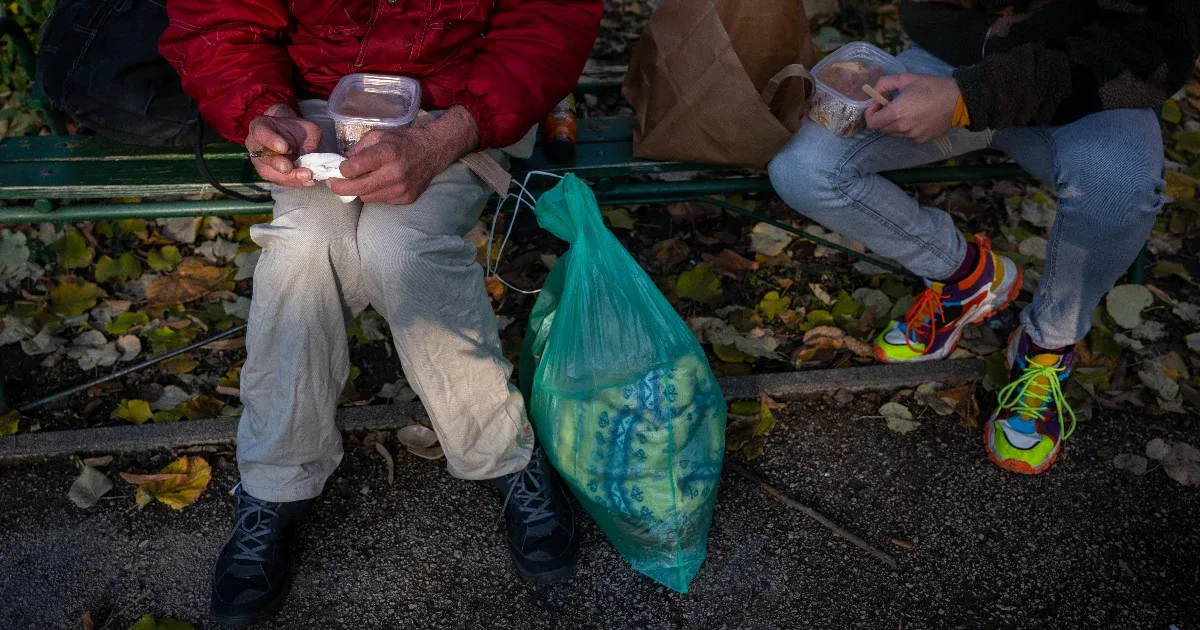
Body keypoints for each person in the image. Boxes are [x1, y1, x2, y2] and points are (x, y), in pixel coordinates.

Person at [159, 0, 602, 626]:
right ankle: (273, 486)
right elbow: (219, 20)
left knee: (402, 249)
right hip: (316, 104)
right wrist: (265, 111)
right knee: (304, 251)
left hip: (464, 107)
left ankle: (504, 455)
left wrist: (448, 135)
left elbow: (549, 24)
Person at [769, 1, 1200, 475]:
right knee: (804, 170)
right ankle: (966, 276)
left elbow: (1157, 44)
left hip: (1086, 83)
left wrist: (968, 98)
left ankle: (1047, 346)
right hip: (947, 60)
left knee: (1121, 185)